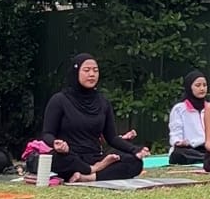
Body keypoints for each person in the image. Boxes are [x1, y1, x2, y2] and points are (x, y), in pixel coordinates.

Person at [36, 53, 147, 182]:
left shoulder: (103, 102)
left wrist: (135, 150)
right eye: (86, 70)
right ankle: (94, 169)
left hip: (94, 156)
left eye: (95, 70)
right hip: (68, 156)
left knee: (134, 163)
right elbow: (47, 134)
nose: (92, 74)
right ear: (76, 72)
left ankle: (88, 176)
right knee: (57, 160)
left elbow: (112, 138)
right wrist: (55, 143)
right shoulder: (59, 100)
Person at [168, 70, 209, 165]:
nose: (202, 88)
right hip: (188, 149)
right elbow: (175, 132)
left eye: (204, 85)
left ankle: (207, 158)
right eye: (198, 85)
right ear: (189, 87)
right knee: (178, 154)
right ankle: (206, 159)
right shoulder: (179, 109)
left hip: (207, 148)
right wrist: (178, 142)